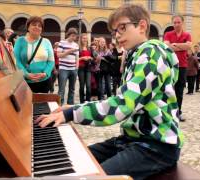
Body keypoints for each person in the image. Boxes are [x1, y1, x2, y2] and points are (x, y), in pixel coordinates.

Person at [35, 4, 183, 179]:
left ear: (142, 26)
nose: (117, 34)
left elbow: (122, 106)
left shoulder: (151, 55)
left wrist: (71, 113)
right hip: (132, 140)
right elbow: (119, 99)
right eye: (115, 31)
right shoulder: (137, 54)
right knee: (77, 161)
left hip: (156, 146)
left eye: (122, 27)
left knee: (89, 176)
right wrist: (75, 107)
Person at [14, 16, 54, 93]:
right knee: (26, 104)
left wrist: (45, 73)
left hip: (44, 81)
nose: (37, 27)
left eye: (39, 26)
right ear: (28, 27)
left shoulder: (46, 42)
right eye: (34, 25)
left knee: (43, 104)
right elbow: (16, 60)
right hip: (25, 82)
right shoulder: (20, 41)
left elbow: (51, 61)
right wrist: (26, 74)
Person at [164, 14, 192, 122]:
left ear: (182, 23)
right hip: (170, 65)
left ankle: (178, 112)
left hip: (182, 66)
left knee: (179, 90)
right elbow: (166, 46)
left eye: (178, 22)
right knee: (168, 89)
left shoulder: (187, 34)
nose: (176, 24)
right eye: (174, 22)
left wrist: (175, 45)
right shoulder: (168, 34)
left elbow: (189, 46)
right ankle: (168, 112)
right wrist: (181, 46)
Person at [57, 28, 79, 105]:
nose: (74, 38)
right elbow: (58, 55)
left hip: (73, 69)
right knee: (61, 89)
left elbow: (77, 58)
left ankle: (70, 106)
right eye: (72, 36)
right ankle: (59, 106)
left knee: (72, 89)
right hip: (63, 69)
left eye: (75, 36)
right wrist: (68, 51)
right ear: (68, 34)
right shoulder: (62, 43)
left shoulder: (76, 45)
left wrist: (76, 68)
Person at [78, 33, 93, 103]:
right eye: (83, 38)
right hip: (81, 68)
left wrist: (90, 58)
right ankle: (81, 101)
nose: (85, 39)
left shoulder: (90, 48)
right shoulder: (78, 48)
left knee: (88, 86)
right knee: (81, 86)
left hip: (88, 68)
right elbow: (76, 59)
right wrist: (83, 58)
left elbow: (94, 58)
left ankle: (88, 101)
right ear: (81, 39)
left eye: (86, 38)